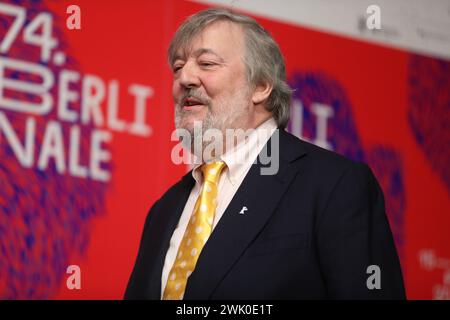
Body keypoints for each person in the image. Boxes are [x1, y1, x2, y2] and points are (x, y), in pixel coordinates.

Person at [124, 8, 405, 300]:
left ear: (261, 86)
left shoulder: (334, 186)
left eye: (206, 63)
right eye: (178, 67)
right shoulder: (164, 210)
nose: (185, 78)